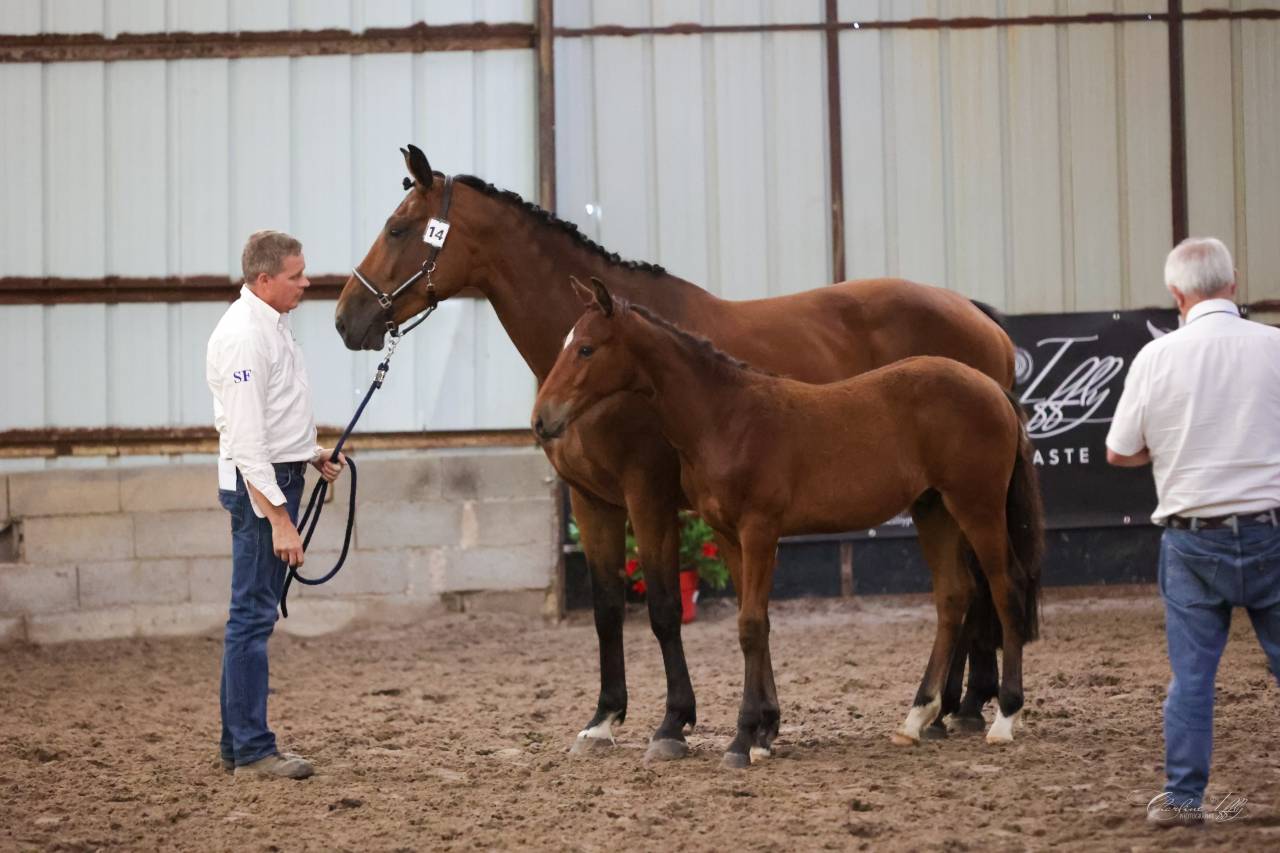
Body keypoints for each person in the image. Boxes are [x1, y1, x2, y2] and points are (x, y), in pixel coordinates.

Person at [1106, 237, 1280, 824]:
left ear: (1177, 296)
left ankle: (1182, 800)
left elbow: (1120, 452)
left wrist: (1171, 447)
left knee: (1193, 680)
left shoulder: (1155, 360)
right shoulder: (1275, 346)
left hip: (1191, 537)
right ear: (1234, 284)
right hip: (1272, 531)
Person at [206, 230, 346, 780]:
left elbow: (271, 416)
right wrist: (281, 519)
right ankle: (254, 750)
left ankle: (236, 745)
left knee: (251, 616)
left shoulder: (271, 326)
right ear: (264, 280)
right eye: (296, 275)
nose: (306, 282)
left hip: (277, 474)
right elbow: (244, 440)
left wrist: (309, 453)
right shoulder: (245, 337)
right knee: (252, 618)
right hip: (259, 487)